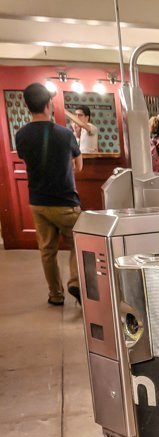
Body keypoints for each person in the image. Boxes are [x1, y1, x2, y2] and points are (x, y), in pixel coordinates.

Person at [15, 83, 83, 306]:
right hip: (65, 202)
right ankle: (75, 281)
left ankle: (55, 294)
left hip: (38, 202)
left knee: (47, 251)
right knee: (78, 243)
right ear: (48, 104)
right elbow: (78, 166)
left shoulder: (21, 135)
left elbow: (27, 159)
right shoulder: (65, 134)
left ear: (27, 106)